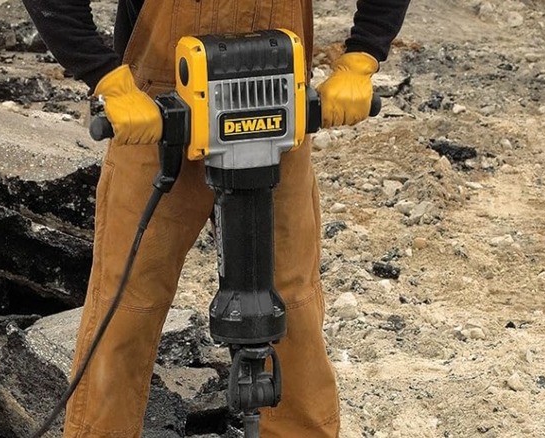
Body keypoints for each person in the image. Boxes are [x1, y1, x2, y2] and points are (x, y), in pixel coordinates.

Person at [21, 1, 411, 437]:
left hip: (276, 100)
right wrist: (107, 79)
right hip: (160, 113)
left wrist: (361, 58)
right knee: (127, 303)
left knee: (290, 304)